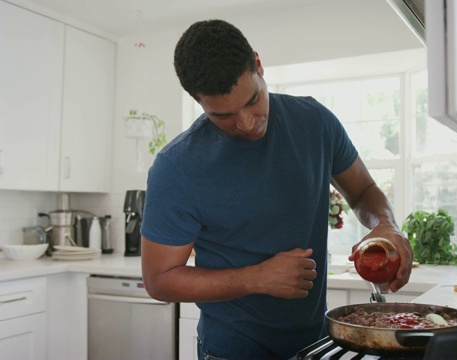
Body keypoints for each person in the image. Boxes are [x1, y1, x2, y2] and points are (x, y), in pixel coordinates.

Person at [140, 19, 413, 360]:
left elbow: (363, 191)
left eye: (253, 100)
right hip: (231, 351)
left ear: (258, 64)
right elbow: (159, 279)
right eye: (222, 115)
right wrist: (255, 278)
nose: (247, 123)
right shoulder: (176, 167)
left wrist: (385, 223)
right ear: (199, 102)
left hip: (316, 345)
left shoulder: (315, 122)